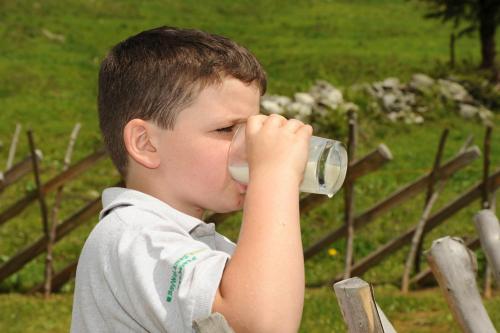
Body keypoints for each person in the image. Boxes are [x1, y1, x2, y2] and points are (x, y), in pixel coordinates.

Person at [71, 26, 312, 333]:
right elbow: (261, 325)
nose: (249, 148)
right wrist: (274, 176)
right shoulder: (136, 238)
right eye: (227, 130)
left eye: (250, 129)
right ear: (146, 143)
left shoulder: (198, 243)